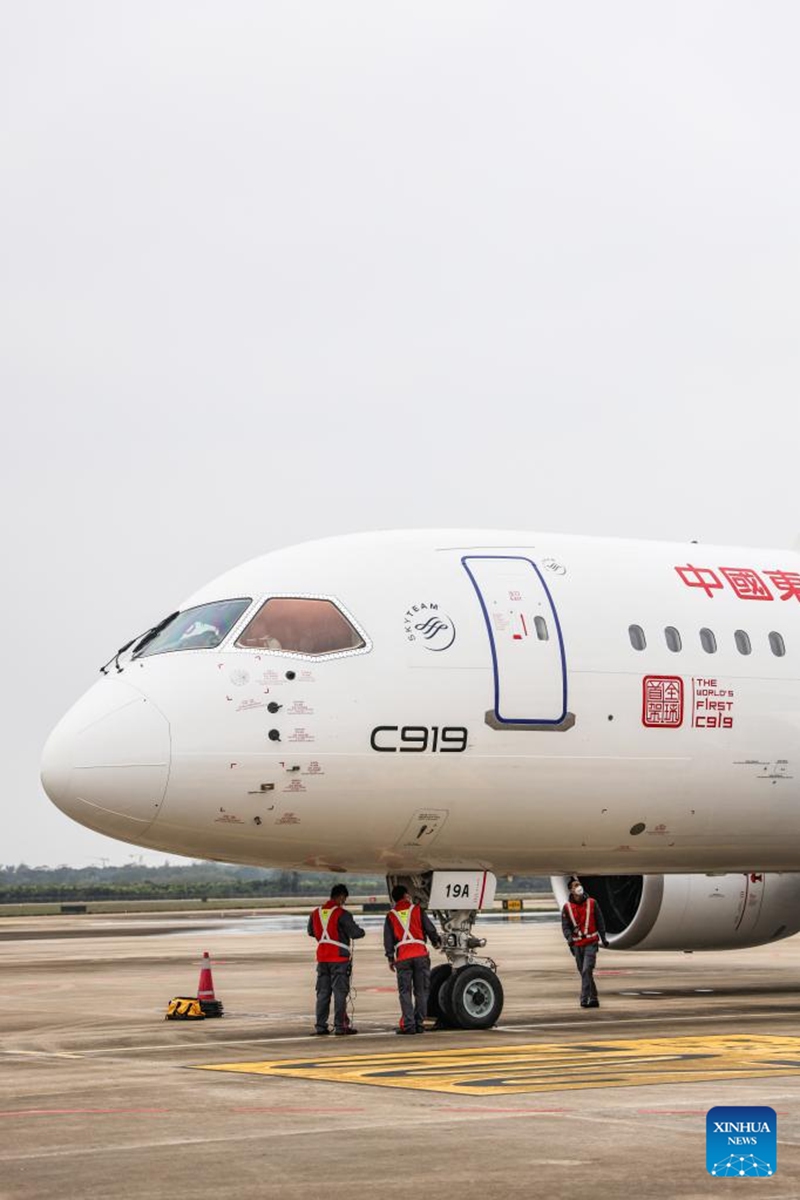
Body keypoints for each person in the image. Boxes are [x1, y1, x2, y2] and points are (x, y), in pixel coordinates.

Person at [384, 884, 442, 1034]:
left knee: (405, 992)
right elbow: (430, 929)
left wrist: (391, 958)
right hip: (420, 955)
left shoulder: (391, 915)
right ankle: (419, 1023)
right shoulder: (417, 909)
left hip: (403, 957)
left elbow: (388, 939)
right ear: (405, 896)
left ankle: (409, 1026)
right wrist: (436, 942)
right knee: (421, 991)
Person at [308, 884, 365, 1035]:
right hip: (339, 958)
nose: (344, 902)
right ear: (340, 896)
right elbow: (355, 933)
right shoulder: (342, 913)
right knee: (340, 993)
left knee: (322, 993)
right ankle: (340, 1026)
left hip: (322, 958)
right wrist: (361, 931)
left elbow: (311, 932)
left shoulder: (316, 913)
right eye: (344, 899)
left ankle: (321, 1026)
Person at [561, 877, 610, 1008]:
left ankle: (584, 999)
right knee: (584, 972)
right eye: (576, 885)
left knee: (586, 969)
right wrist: (569, 938)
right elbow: (565, 927)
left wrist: (603, 938)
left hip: (591, 943)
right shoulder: (567, 908)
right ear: (571, 890)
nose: (579, 887)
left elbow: (600, 921)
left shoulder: (592, 903)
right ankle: (594, 998)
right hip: (577, 945)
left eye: (579, 884)